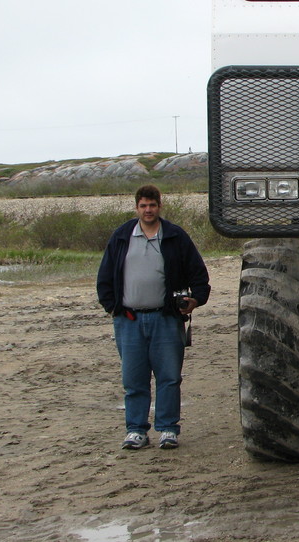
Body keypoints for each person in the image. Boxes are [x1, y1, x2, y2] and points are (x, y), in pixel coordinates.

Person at [97, 185, 210, 450]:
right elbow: (104, 277)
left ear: (160, 206)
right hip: (129, 320)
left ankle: (168, 429)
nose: (148, 210)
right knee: (133, 379)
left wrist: (197, 299)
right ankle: (136, 430)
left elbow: (198, 273)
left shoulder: (175, 236)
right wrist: (112, 307)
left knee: (169, 377)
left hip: (166, 319)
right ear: (136, 207)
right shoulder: (122, 236)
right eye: (143, 206)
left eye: (153, 205)